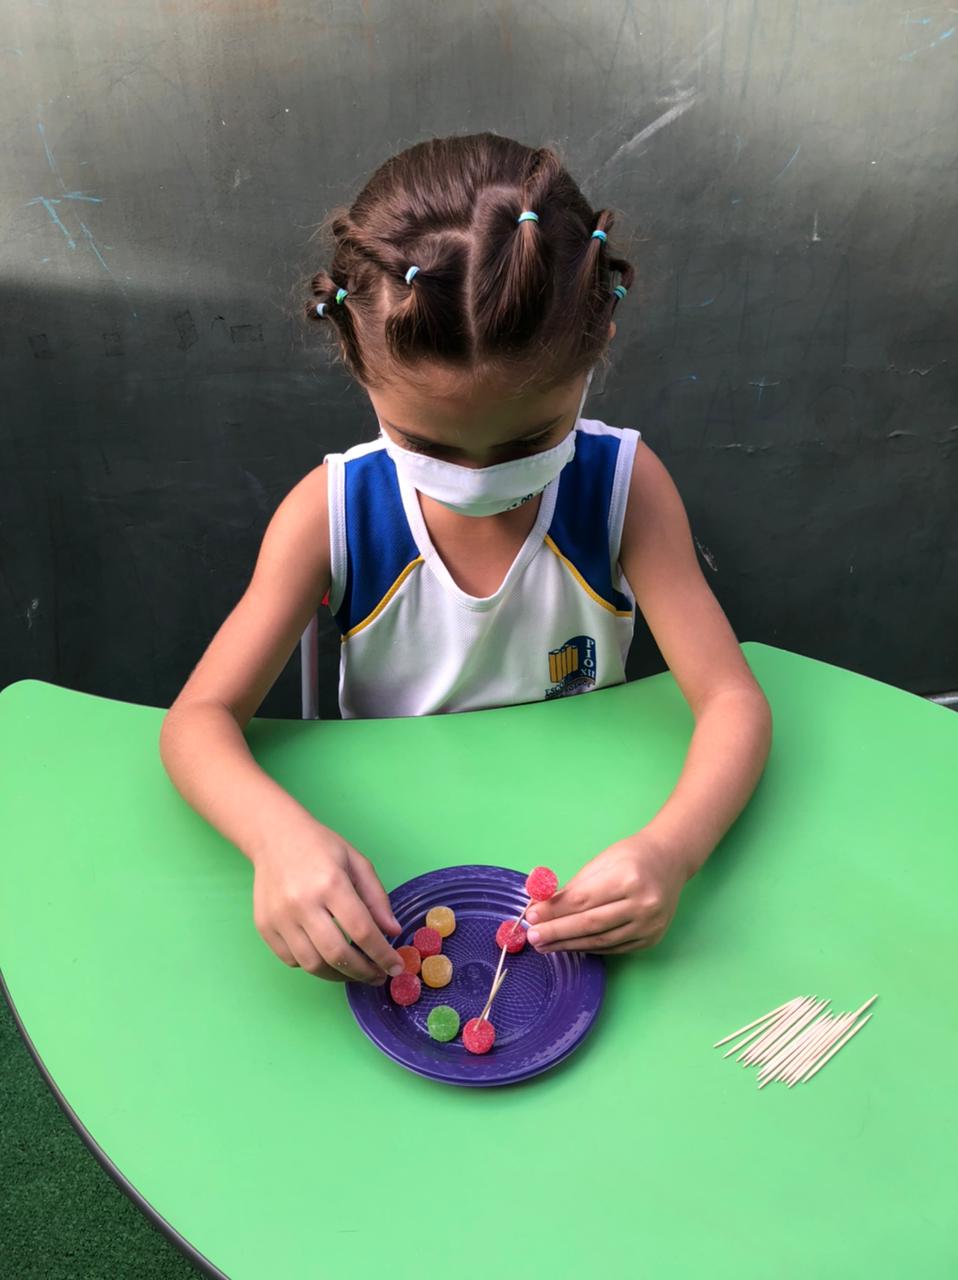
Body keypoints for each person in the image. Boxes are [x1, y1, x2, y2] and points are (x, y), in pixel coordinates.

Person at [159, 132, 772, 988]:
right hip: (394, 871)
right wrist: (276, 839)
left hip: (578, 853)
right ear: (358, 360)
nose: (479, 478)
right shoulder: (329, 515)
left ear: (598, 345)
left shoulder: (625, 489)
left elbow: (733, 701)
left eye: (528, 441)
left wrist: (671, 851)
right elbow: (197, 721)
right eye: (429, 445)